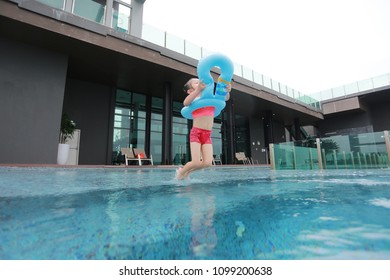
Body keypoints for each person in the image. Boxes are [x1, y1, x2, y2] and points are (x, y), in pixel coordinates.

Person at [176, 78, 231, 180]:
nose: (200, 83)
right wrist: (197, 91)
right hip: (196, 133)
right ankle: (181, 172)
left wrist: (227, 92)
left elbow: (224, 98)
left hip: (207, 135)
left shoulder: (211, 98)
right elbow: (185, 103)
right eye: (196, 83)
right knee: (196, 162)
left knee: (207, 163)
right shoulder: (194, 100)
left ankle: (188, 172)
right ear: (190, 91)